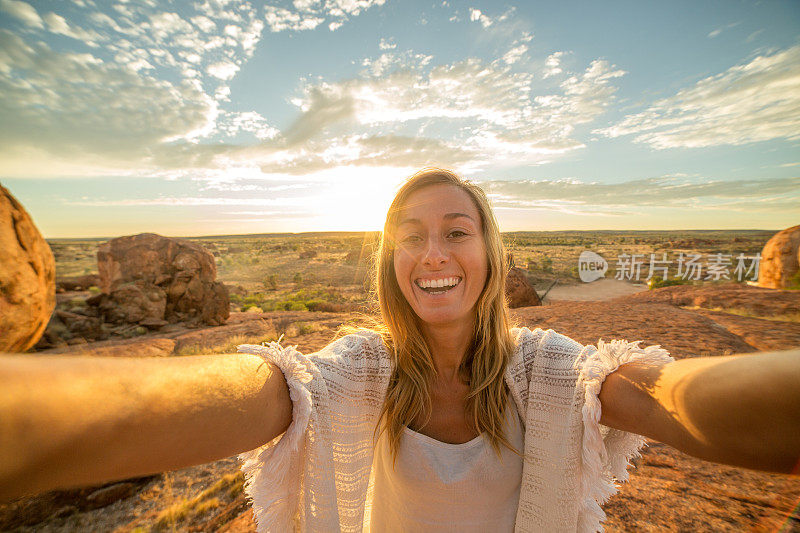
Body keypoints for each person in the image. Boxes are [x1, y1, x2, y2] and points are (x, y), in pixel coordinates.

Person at [0, 168, 798, 532]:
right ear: (389, 258)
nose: (434, 253)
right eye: (409, 236)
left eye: (457, 231)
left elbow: (670, 396)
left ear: (491, 252)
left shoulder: (548, 368)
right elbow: (269, 388)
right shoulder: (359, 369)